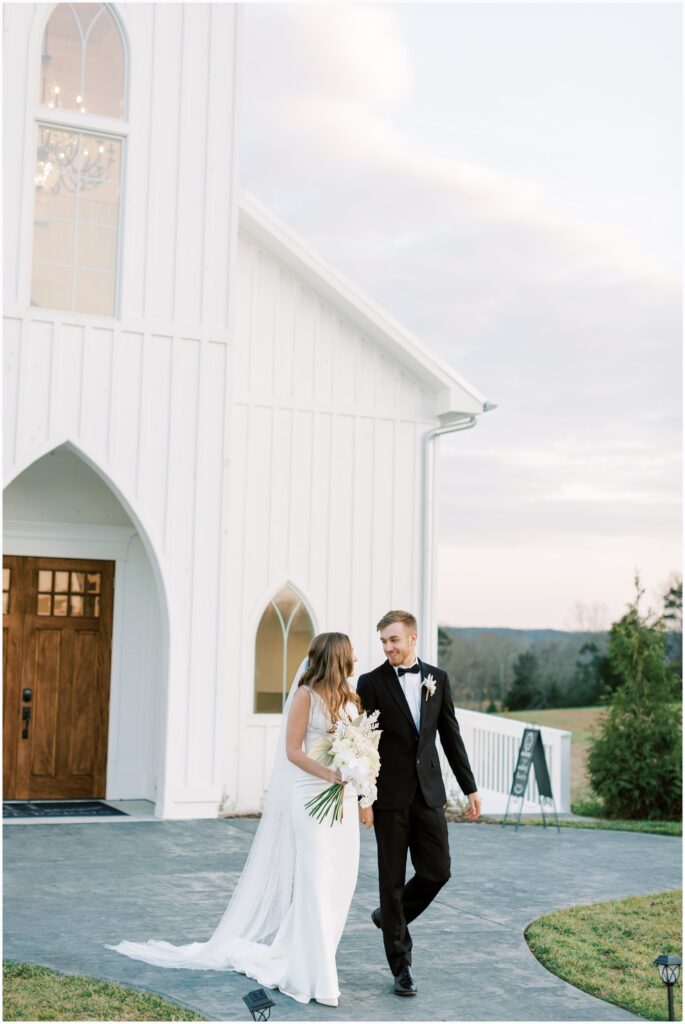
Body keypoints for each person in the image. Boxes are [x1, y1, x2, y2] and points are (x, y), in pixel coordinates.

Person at [106, 632, 367, 1008]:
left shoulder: (351, 698)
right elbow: (293, 752)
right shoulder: (305, 697)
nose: (356, 656)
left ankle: (309, 955)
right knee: (313, 881)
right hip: (311, 798)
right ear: (337, 656)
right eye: (351, 652)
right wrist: (329, 774)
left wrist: (358, 784)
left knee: (339, 882)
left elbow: (358, 748)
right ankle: (316, 976)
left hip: (340, 802)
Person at [356, 610, 481, 997]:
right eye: (383, 641)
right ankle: (401, 967)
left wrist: (470, 787)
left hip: (429, 795)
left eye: (393, 639)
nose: (388, 647)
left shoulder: (437, 680)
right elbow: (361, 745)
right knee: (390, 882)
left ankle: (389, 917)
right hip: (389, 798)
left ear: (412, 639)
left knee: (437, 871)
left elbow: (450, 736)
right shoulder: (370, 683)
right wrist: (365, 797)